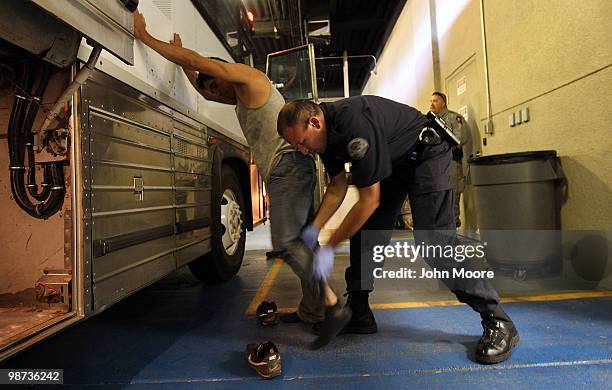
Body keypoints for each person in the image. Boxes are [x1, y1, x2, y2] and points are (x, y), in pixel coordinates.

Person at [133, 10, 351, 347]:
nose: (216, 93)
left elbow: (204, 65)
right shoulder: (236, 97)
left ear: (222, 73)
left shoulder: (250, 79)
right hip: (290, 170)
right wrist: (187, 69)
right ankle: (314, 311)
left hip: (288, 168)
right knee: (305, 244)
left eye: (216, 84)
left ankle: (333, 307)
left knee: (288, 245)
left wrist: (147, 38)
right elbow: (204, 86)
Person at [277, 96, 519, 364]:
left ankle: (497, 319)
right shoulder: (323, 138)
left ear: (314, 122)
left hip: (427, 154)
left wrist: (330, 247)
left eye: (301, 142)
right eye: (295, 145)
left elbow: (369, 200)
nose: (302, 151)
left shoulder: (354, 124)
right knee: (366, 235)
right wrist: (313, 230)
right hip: (394, 164)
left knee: (436, 245)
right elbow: (336, 187)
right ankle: (359, 312)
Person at [429, 92, 470, 227]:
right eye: (431, 101)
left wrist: (442, 148)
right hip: (437, 164)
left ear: (443, 103)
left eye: (435, 101)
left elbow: (460, 139)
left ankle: (454, 231)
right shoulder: (432, 121)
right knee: (440, 196)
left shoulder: (453, 118)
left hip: (451, 161)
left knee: (452, 195)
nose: (431, 104)